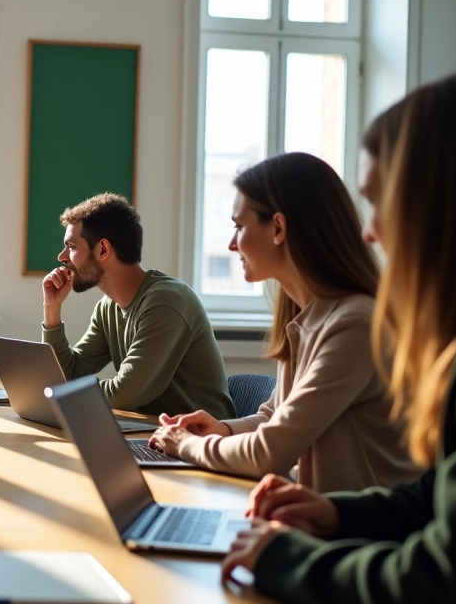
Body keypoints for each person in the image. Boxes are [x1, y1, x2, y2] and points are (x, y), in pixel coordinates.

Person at [221, 74, 456, 604]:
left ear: (440, 206)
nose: (369, 230)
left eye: (380, 201)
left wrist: (285, 561)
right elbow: (438, 497)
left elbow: (443, 590)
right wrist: (338, 515)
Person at [148, 153, 419, 492]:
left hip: (361, 532)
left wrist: (186, 445)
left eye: (239, 227)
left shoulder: (355, 325)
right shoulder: (304, 316)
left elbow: (270, 452)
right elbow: (273, 417)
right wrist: (221, 430)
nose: (232, 245)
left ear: (278, 228)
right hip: (317, 517)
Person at [41, 192, 233, 418]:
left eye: (71, 247)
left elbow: (125, 394)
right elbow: (70, 374)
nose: (61, 256)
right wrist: (52, 309)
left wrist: (59, 393)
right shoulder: (108, 308)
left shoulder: (167, 302)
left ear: (103, 249)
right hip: (151, 435)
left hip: (200, 443)